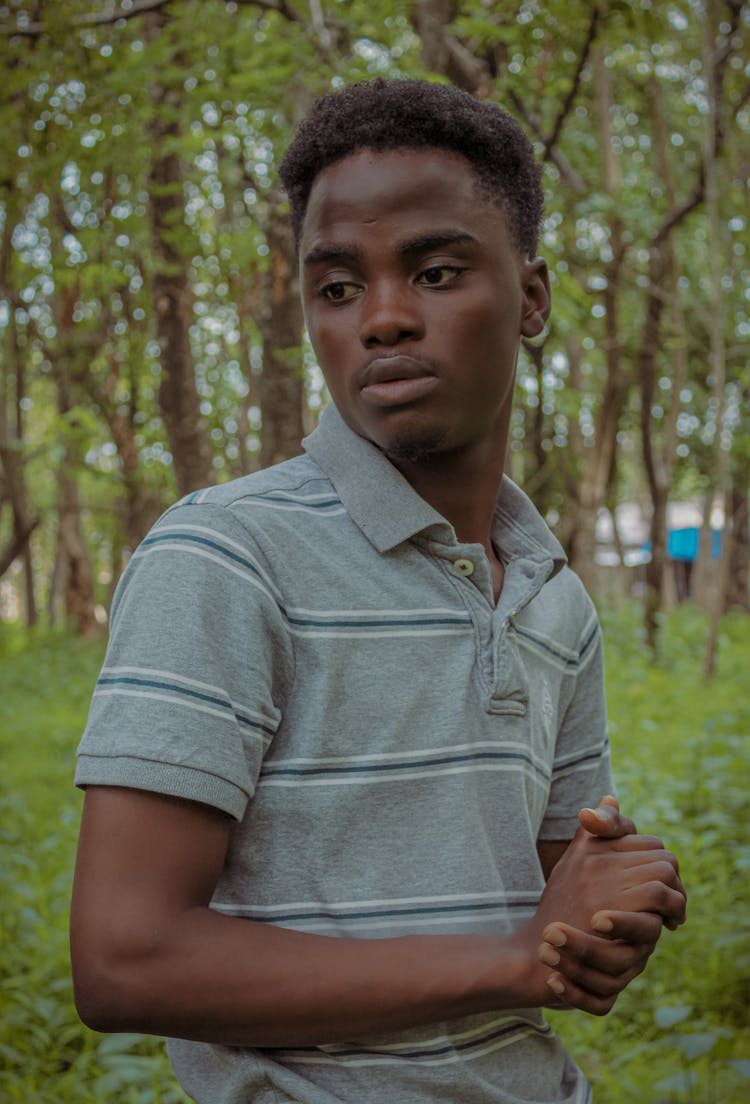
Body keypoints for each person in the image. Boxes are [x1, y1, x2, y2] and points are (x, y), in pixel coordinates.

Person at [71, 79, 685, 1104]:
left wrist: (613, 914)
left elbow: (552, 914)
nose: (385, 319)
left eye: (437, 271)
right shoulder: (226, 556)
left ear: (531, 297)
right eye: (338, 288)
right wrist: (517, 961)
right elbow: (126, 960)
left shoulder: (553, 596)